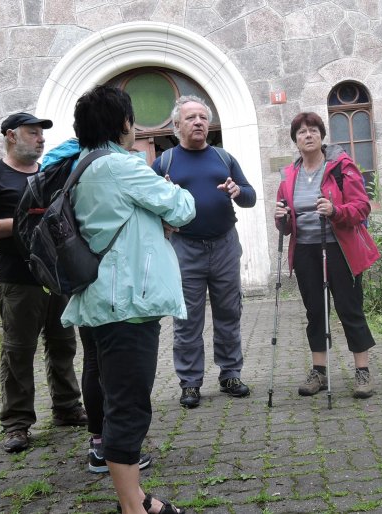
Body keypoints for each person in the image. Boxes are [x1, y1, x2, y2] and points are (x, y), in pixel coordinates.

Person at [60, 85, 195, 514]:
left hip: (103, 300)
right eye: (132, 119)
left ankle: (138, 498)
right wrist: (169, 191)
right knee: (129, 405)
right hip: (128, 305)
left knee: (118, 396)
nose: (135, 128)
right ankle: (131, 507)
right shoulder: (121, 166)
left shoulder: (83, 166)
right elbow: (183, 208)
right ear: (122, 124)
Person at [0, 113, 87, 454]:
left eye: (41, 134)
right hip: (19, 280)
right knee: (18, 352)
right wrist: (21, 222)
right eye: (32, 133)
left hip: (57, 276)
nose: (40, 139)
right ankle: (17, 424)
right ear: (11, 137)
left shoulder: (49, 173)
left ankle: (67, 408)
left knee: (63, 344)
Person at [40, 137, 152, 474]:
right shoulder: (108, 162)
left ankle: (99, 444)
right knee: (118, 369)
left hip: (78, 267)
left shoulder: (68, 159)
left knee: (93, 360)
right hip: (111, 277)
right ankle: (117, 449)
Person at [150, 95, 256, 408]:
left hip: (224, 244)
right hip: (185, 249)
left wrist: (238, 191)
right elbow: (148, 207)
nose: (198, 122)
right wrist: (165, 199)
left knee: (229, 313)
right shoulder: (165, 163)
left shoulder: (223, 158)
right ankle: (190, 382)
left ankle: (230, 373)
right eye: (191, 118)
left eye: (202, 117)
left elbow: (249, 196)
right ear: (176, 125)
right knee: (187, 320)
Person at [273, 111, 380, 399]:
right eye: (301, 132)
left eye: (312, 130)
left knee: (349, 309)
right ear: (295, 141)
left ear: (321, 136)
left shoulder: (341, 167)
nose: (307, 135)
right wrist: (281, 217)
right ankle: (319, 372)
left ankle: (362, 372)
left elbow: (362, 207)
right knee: (314, 312)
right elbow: (285, 223)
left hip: (340, 249)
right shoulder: (289, 175)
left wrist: (335, 211)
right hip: (306, 250)